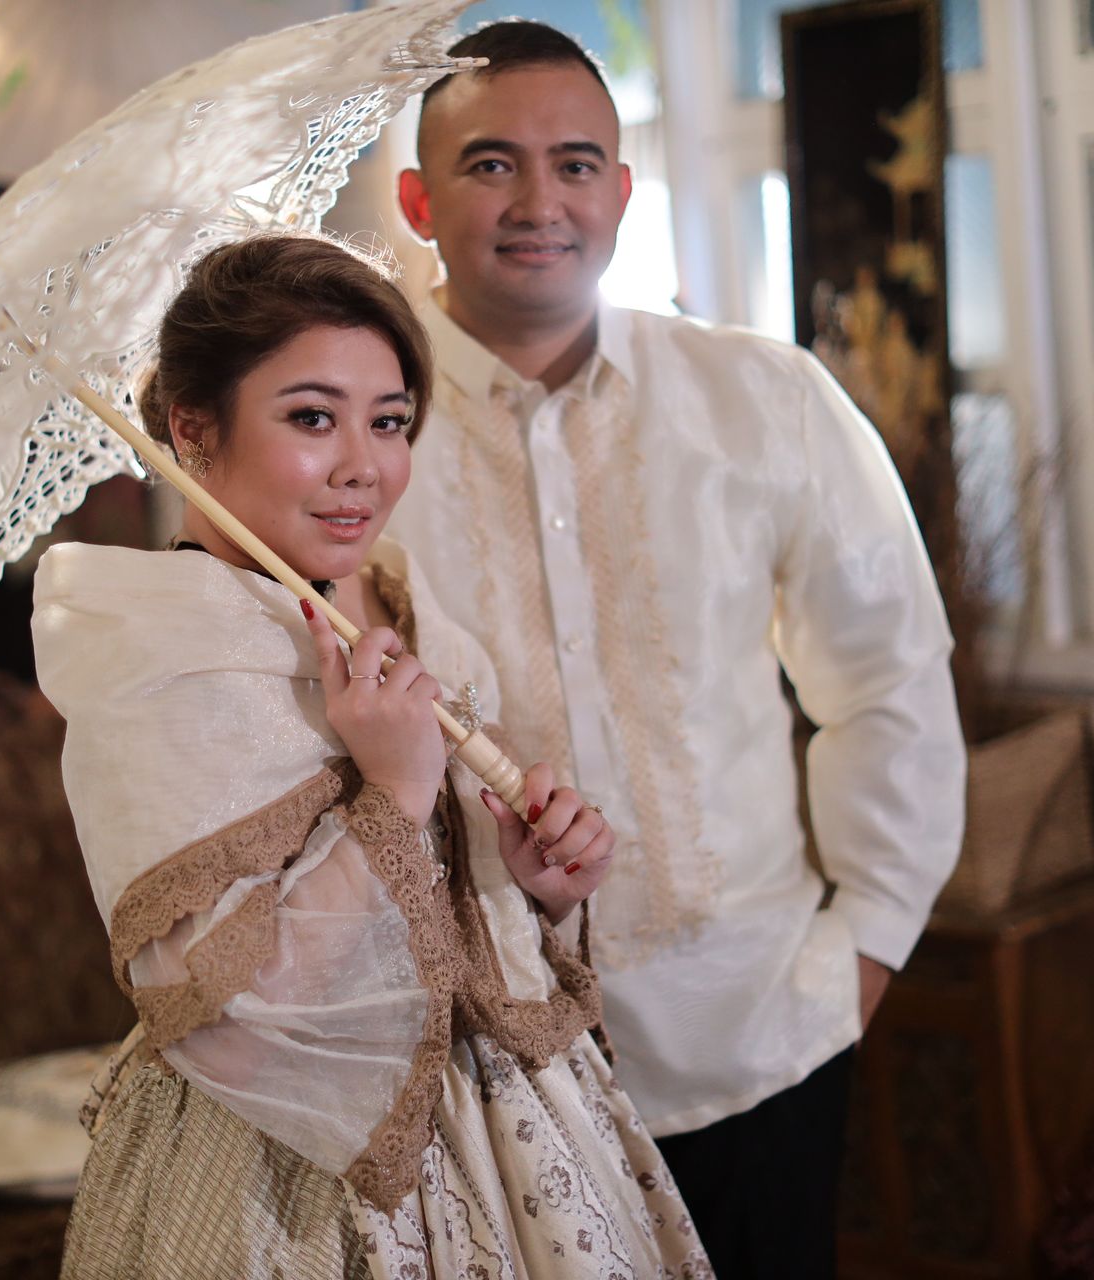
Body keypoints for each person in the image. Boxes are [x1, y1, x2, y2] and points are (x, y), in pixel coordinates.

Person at [388, 21, 969, 1277]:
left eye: (575, 164)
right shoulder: (353, 436)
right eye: (491, 164)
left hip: (759, 1039)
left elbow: (887, 679)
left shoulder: (764, 397)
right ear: (418, 201)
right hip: (481, 1071)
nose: (540, 201)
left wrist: (865, 947)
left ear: (621, 191)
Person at [32, 234, 712, 1279]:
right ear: (192, 428)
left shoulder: (404, 604)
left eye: (388, 421)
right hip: (278, 1175)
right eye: (313, 417)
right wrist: (394, 789)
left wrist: (524, 878)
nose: (365, 465)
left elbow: (453, 920)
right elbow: (236, 1020)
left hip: (512, 1130)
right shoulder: (154, 661)